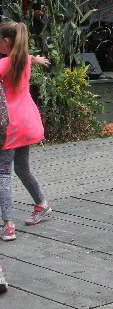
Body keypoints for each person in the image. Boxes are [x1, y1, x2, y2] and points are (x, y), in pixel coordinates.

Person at [0, 23, 52, 242]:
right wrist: (35, 59)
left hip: (10, 124)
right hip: (27, 122)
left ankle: (8, 225)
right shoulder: (23, 59)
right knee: (21, 168)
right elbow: (25, 57)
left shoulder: (5, 63)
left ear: (6, 41)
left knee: (3, 172)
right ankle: (42, 203)